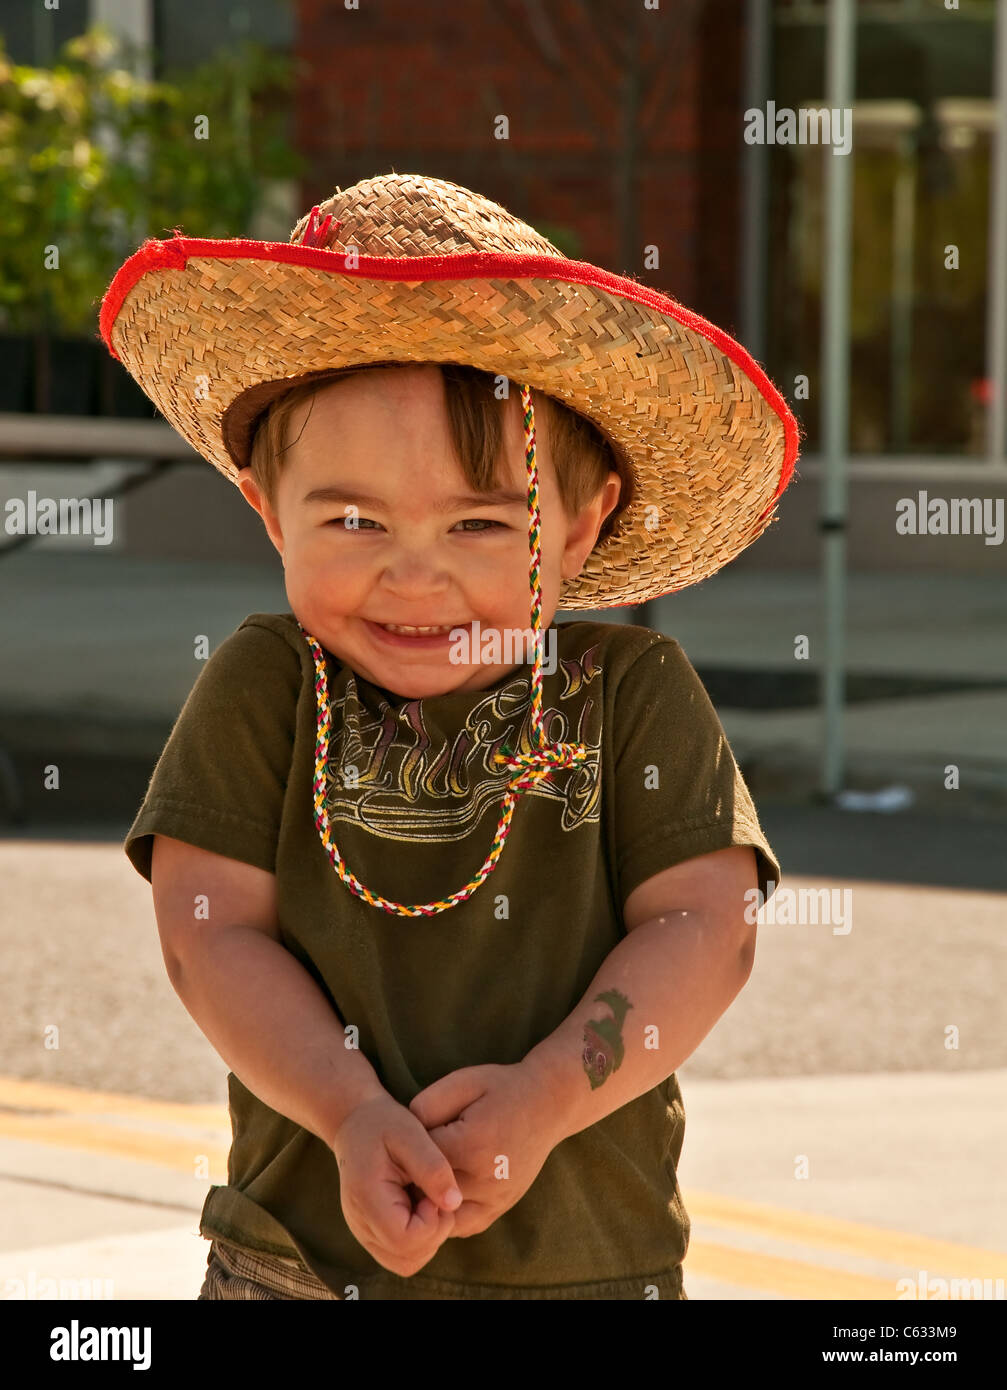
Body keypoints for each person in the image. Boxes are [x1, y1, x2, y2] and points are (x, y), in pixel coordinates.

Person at [101, 171, 801, 1300]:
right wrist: (348, 1111)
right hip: (298, 1268)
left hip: (590, 1271)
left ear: (580, 526)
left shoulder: (627, 692)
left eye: (479, 523)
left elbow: (705, 927)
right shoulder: (263, 688)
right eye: (352, 519)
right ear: (267, 510)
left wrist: (545, 1094)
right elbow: (209, 934)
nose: (413, 572)